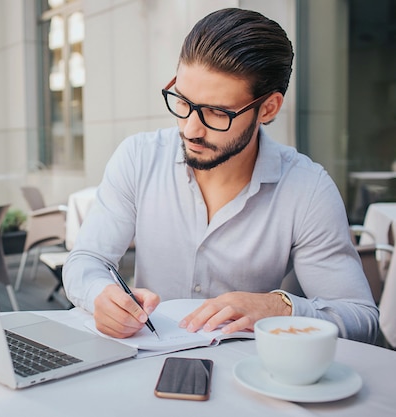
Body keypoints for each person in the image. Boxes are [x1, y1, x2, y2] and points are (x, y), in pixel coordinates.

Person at [62, 8, 378, 344]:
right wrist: (100, 294)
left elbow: (361, 318)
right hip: (144, 365)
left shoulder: (307, 189)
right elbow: (86, 261)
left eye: (217, 112)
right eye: (183, 101)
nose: (191, 129)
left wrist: (280, 306)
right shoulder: (138, 157)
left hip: (250, 378)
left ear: (268, 108)